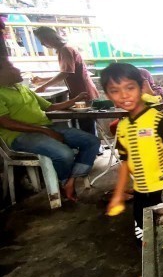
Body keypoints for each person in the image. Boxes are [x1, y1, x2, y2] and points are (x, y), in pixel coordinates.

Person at [100, 63, 163, 243]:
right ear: (108, 96)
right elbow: (125, 164)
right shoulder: (121, 127)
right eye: (115, 91)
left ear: (141, 87)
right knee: (145, 239)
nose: (123, 95)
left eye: (130, 87)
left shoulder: (159, 121)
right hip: (140, 194)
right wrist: (118, 195)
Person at [0, 57, 101, 201]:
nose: (18, 70)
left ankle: (70, 180)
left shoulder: (22, 88)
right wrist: (44, 130)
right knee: (64, 154)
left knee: (91, 141)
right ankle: (65, 182)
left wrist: (74, 100)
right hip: (19, 136)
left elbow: (49, 106)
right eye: (11, 67)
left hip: (45, 127)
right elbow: (6, 123)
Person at [32, 26, 100, 136]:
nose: (43, 45)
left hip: (83, 92)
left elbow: (66, 73)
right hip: (81, 92)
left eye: (42, 41)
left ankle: (93, 149)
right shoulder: (63, 49)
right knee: (84, 123)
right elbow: (65, 72)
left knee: (86, 123)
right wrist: (42, 80)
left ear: (50, 38)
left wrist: (44, 86)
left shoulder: (65, 49)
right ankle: (92, 148)